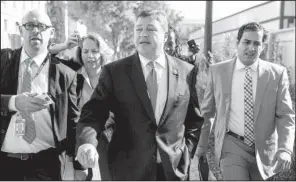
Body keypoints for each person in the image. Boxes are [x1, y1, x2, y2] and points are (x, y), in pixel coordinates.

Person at [75, 10, 204, 180]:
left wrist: (185, 151)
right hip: (129, 170)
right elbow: (93, 113)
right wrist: (87, 143)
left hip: (173, 171)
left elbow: (193, 119)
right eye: (138, 29)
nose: (143, 34)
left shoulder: (186, 71)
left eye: (150, 29)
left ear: (165, 36)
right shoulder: (115, 72)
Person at [198, 22, 295, 180]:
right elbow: (208, 112)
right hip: (231, 145)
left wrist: (285, 149)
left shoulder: (277, 74)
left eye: (256, 43)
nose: (251, 48)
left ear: (262, 47)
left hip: (264, 149)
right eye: (246, 42)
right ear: (237, 43)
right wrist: (200, 146)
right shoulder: (217, 71)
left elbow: (285, 115)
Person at [0, 9, 80, 180]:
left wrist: (78, 165)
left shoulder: (66, 75)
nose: (35, 30)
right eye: (29, 25)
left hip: (48, 166)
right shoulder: (3, 61)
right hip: (5, 165)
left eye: (41, 26)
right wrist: (13, 102)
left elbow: (74, 123)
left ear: (51, 32)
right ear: (20, 30)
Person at [48, 32, 115, 180]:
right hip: (77, 145)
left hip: (107, 145)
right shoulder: (71, 72)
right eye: (85, 51)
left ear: (102, 53)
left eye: (94, 51)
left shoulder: (112, 75)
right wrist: (64, 46)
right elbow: (45, 58)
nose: (90, 56)